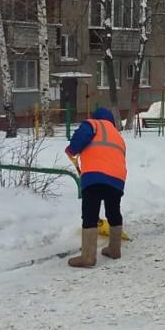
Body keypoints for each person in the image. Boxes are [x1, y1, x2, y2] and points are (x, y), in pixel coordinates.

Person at [64, 107, 127, 268]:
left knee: (90, 213)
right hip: (117, 178)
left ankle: (88, 257)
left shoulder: (92, 124)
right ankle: (114, 249)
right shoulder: (118, 136)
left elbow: (79, 140)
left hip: (94, 176)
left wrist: (71, 150)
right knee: (113, 211)